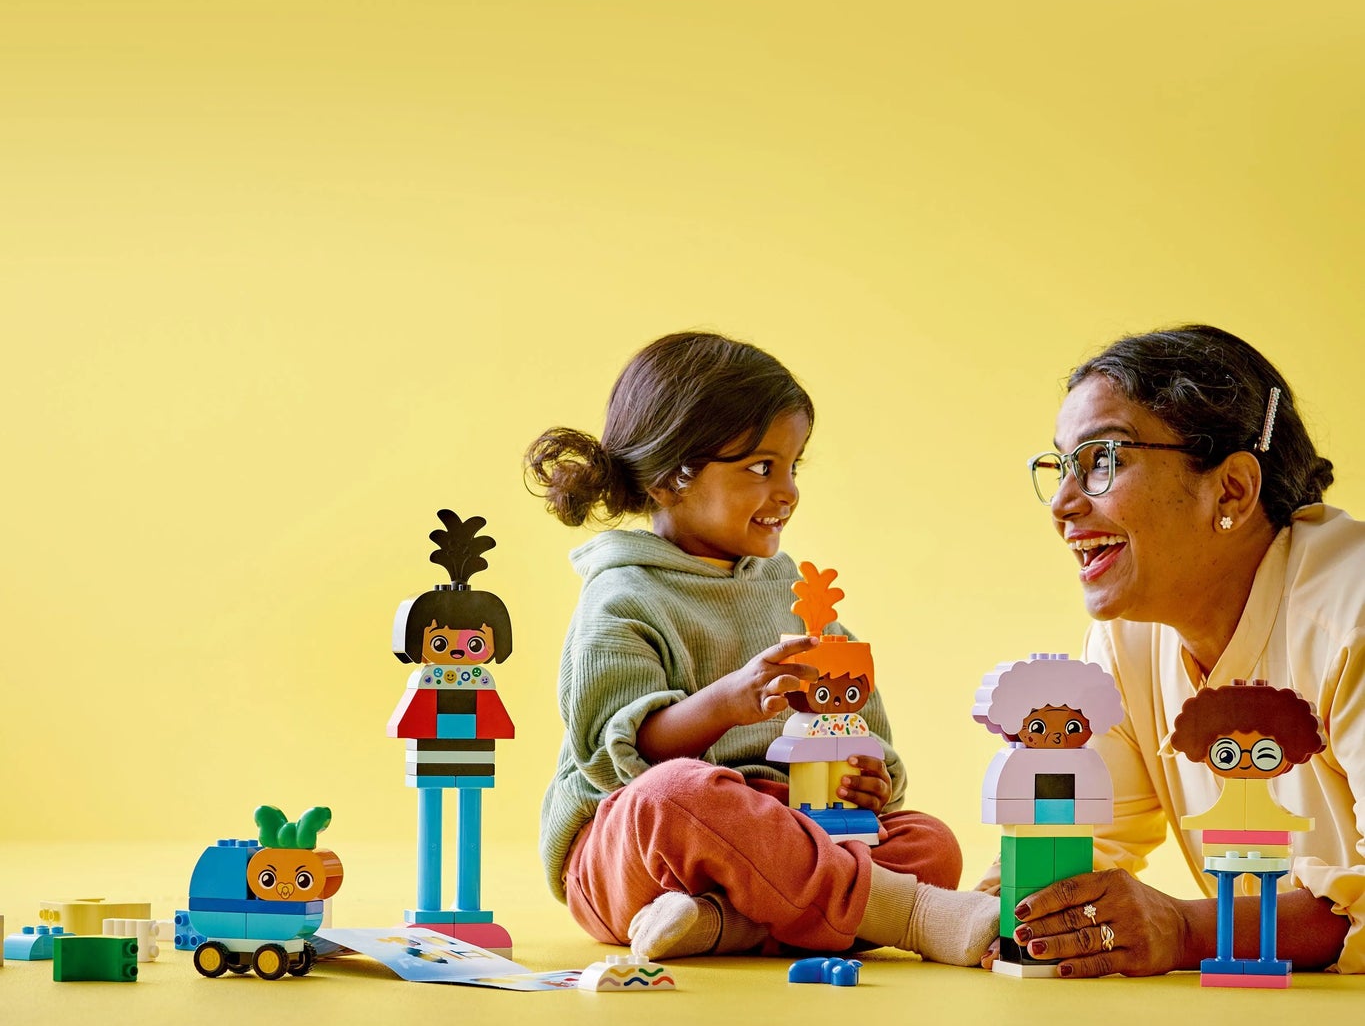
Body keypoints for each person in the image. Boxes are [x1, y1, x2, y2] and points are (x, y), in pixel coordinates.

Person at [524, 330, 1000, 964]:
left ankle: (727, 926)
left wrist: (869, 779)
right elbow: (613, 762)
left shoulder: (796, 594)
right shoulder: (622, 595)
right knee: (675, 794)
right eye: (760, 468)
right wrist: (726, 704)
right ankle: (906, 914)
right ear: (669, 479)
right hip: (642, 854)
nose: (788, 491)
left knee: (929, 843)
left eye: (793, 466)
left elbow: (861, 727)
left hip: (790, 837)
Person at [992, 323, 1364, 976]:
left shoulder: (1349, 614)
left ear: (1232, 489)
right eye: (1060, 466)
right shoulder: (1127, 638)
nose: (1062, 504)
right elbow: (1079, 851)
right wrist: (986, 914)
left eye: (1102, 460)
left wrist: (1186, 928)